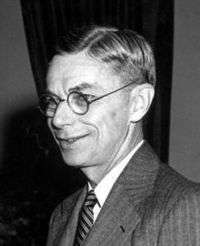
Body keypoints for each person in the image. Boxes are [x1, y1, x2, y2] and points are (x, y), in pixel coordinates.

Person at [41, 26, 200, 246]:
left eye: (83, 98)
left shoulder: (184, 206)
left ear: (138, 103)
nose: (58, 119)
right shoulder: (63, 214)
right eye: (52, 101)